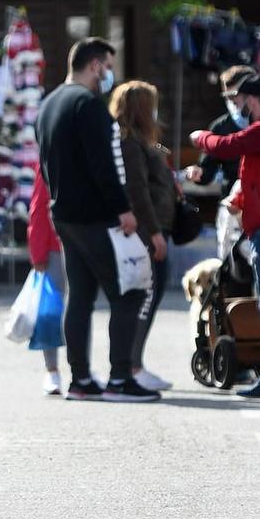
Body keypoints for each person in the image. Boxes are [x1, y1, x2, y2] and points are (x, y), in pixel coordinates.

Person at [34, 38, 158, 403]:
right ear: (92, 66)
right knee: (129, 291)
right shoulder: (88, 105)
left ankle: (81, 379)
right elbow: (102, 165)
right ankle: (121, 378)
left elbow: (43, 166)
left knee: (81, 297)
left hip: (64, 216)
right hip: (96, 216)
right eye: (106, 66)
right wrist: (123, 209)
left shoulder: (49, 103)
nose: (109, 74)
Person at [191, 75, 260, 399]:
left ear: (251, 101)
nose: (238, 108)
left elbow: (228, 146)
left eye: (240, 102)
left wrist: (202, 138)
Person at [110, 80, 176, 391]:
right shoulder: (129, 142)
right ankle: (133, 365)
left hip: (154, 228)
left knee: (149, 295)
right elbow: (137, 191)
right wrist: (153, 232)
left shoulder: (143, 141)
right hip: (147, 232)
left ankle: (136, 363)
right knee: (145, 297)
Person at [183, 66, 259, 193]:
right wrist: (198, 172)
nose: (231, 101)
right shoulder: (220, 126)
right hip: (232, 198)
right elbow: (207, 168)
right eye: (226, 96)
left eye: (234, 95)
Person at [27, 174, 67, 396]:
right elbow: (38, 208)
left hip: (81, 244)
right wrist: (38, 252)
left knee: (80, 310)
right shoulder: (48, 162)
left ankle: (82, 370)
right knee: (49, 312)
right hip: (53, 248)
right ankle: (52, 370)